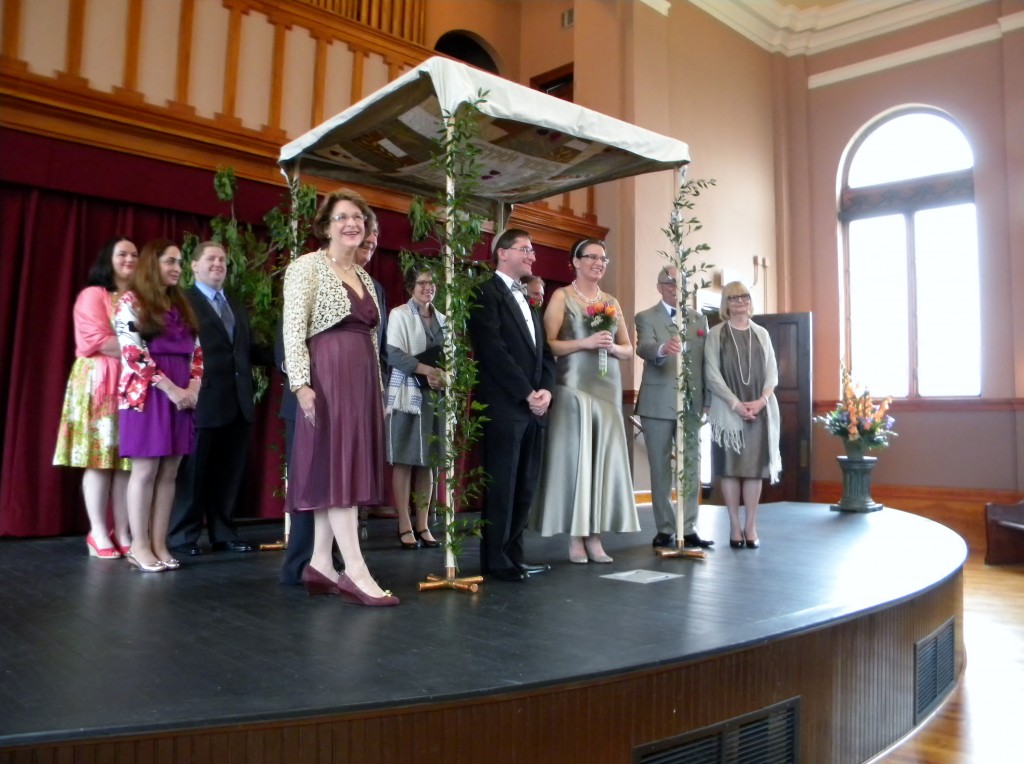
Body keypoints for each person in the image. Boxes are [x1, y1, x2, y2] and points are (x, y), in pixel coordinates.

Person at [282, 188, 397, 605]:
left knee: (339, 468)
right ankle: (356, 570)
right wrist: (300, 384)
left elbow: (371, 339)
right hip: (327, 377)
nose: (352, 224)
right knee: (339, 471)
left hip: (361, 382)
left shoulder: (364, 276)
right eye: (343, 217)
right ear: (326, 226)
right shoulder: (307, 267)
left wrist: (380, 394)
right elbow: (293, 329)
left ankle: (320, 563)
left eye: (359, 218)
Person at [530, 238, 639, 563]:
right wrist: (585, 342)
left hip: (606, 391)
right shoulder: (562, 296)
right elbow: (547, 344)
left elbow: (628, 349)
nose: (598, 263)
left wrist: (611, 349)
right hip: (574, 389)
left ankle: (596, 538)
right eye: (591, 257)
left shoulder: (611, 302)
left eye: (603, 258)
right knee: (577, 462)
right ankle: (576, 539)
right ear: (575, 261)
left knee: (602, 464)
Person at [168, 242, 273, 556]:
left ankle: (223, 533)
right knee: (194, 472)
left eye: (223, 260)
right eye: (211, 259)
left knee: (228, 474)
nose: (218, 264)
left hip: (239, 402)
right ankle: (182, 538)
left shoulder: (236, 304)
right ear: (195, 266)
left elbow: (247, 350)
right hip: (203, 400)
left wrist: (284, 357)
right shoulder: (183, 300)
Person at [467, 228, 555, 582]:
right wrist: (526, 393)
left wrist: (546, 390)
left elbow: (543, 353)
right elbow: (493, 351)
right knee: (502, 485)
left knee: (526, 484)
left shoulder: (528, 298)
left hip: (535, 406)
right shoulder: (484, 293)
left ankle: (515, 555)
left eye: (532, 250)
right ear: (502, 253)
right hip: (505, 405)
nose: (532, 256)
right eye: (525, 249)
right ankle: (496, 560)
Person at [115, 239, 203, 572]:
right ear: (153, 264)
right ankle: (138, 545)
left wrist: (192, 386)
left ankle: (159, 542)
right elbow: (133, 353)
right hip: (148, 395)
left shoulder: (181, 304)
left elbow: (197, 351)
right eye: (170, 262)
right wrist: (171, 389)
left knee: (169, 472)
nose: (176, 269)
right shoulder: (130, 302)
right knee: (146, 469)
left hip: (182, 394)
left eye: (179, 263)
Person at [53, 236, 138, 559]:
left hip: (132, 382)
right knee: (100, 459)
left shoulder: (140, 297)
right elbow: (99, 341)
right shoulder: (93, 294)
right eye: (122, 254)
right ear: (108, 259)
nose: (129, 259)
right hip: (99, 381)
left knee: (126, 462)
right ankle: (98, 532)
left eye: (134, 254)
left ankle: (124, 531)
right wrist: (139, 346)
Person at [635, 265, 713, 550]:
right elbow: (643, 346)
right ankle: (665, 528)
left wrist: (707, 399)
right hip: (656, 402)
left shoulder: (698, 319)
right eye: (670, 283)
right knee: (660, 467)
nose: (676, 289)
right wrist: (661, 349)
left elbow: (706, 361)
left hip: (691, 403)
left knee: (691, 465)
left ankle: (689, 527)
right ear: (659, 286)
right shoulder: (645, 317)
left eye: (682, 284)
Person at [703, 281, 781, 549]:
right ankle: (735, 526)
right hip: (727, 411)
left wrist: (761, 402)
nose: (740, 301)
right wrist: (736, 405)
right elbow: (711, 374)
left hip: (759, 411)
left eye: (744, 296)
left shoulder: (762, 333)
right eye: (734, 297)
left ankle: (751, 526)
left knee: (753, 471)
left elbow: (772, 373)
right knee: (730, 470)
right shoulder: (716, 334)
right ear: (725, 303)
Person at [384, 265, 446, 549]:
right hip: (407, 395)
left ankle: (423, 523)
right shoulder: (399, 314)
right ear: (410, 287)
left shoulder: (444, 319)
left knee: (429, 460)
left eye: (431, 283)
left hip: (435, 396)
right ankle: (404, 524)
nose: (427, 288)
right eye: (421, 283)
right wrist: (427, 370)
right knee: (405, 458)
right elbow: (394, 354)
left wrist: (442, 377)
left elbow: (452, 359)